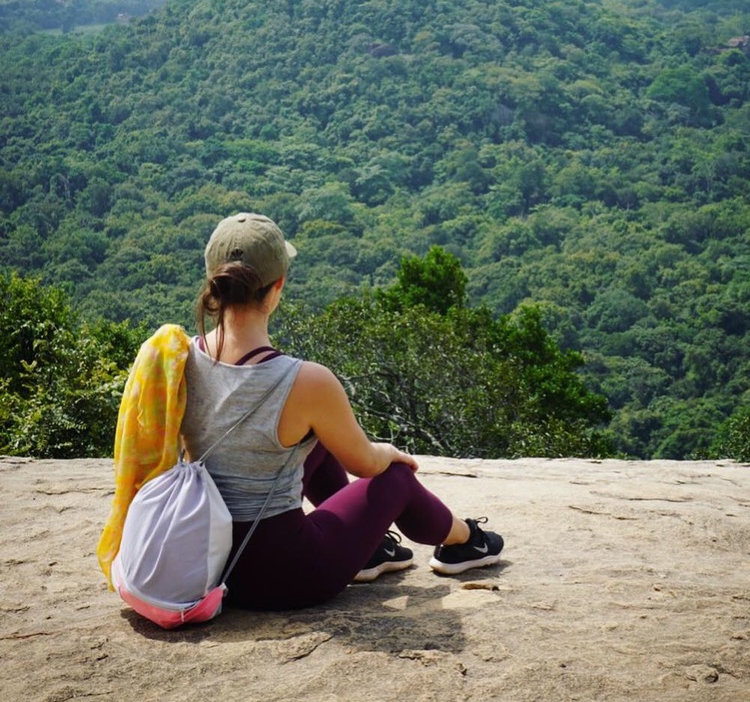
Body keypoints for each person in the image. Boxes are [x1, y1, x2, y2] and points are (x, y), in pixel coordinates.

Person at [99, 212, 503, 611]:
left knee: (317, 443)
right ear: (278, 287)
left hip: (203, 559)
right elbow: (366, 464)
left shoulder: (176, 358)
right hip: (283, 577)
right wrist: (389, 452)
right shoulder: (305, 381)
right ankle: (465, 541)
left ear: (214, 283)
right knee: (395, 476)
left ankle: (369, 550)